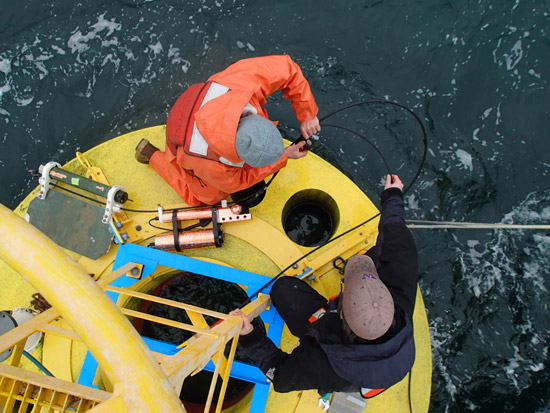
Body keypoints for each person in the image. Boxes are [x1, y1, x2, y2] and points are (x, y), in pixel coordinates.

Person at [230, 174, 418, 396]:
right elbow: (397, 238)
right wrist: (392, 196)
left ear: (340, 314)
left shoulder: (324, 365)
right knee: (383, 251)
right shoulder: (401, 291)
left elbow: (279, 375)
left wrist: (250, 337)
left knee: (283, 290)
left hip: (345, 371)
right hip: (386, 365)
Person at [135, 55, 320, 206]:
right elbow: (241, 180)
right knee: (201, 198)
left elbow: (288, 69)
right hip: (182, 144)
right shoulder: (214, 166)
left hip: (187, 110)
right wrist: (284, 157)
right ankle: (152, 155)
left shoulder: (242, 83)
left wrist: (308, 115)